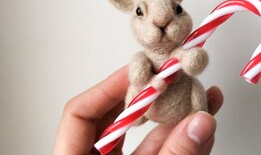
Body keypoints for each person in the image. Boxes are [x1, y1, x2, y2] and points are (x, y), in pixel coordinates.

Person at [54, 65, 224, 155]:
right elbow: (136, 73)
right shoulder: (146, 60)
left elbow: (196, 62)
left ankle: (196, 115)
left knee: (200, 102)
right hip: (150, 107)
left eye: (177, 11)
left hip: (184, 102)